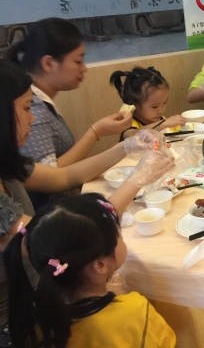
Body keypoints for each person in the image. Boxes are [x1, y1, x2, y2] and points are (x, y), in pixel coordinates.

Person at [0, 58, 172, 342]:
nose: (33, 118)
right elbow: (69, 239)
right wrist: (138, 179)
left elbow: (65, 176)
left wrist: (127, 146)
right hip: (18, 321)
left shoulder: (7, 162)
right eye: (27, 108)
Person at [4, 192, 176, 348]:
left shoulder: (36, 322)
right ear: (100, 265)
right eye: (118, 234)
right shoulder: (135, 311)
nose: (121, 237)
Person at [10, 18, 132, 209]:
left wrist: (127, 146)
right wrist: (96, 132)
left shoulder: (41, 103)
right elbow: (54, 176)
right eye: (77, 61)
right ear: (49, 63)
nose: (84, 68)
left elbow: (63, 176)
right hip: (53, 212)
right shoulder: (36, 108)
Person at [110, 66, 186, 140]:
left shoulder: (158, 118)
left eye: (164, 103)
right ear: (135, 104)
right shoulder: (129, 123)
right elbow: (131, 136)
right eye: (155, 106)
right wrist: (164, 124)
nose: (161, 110)